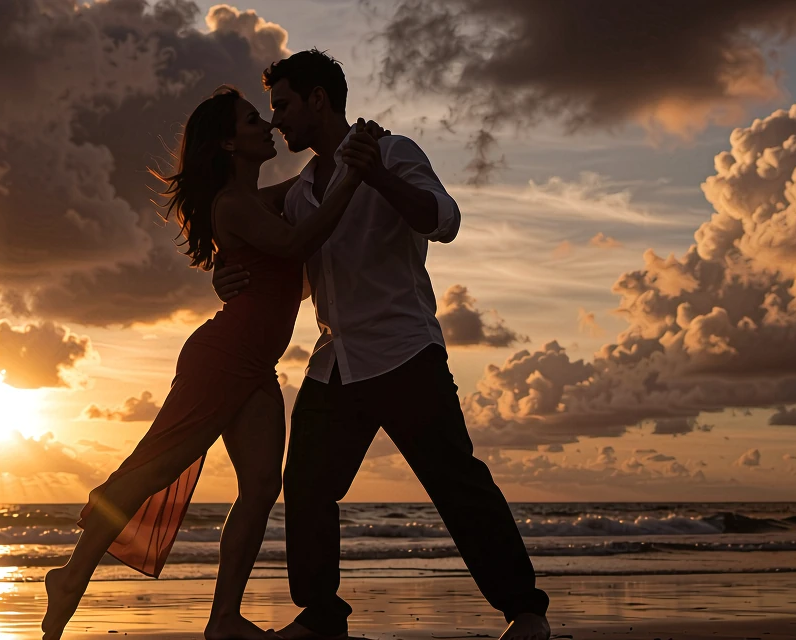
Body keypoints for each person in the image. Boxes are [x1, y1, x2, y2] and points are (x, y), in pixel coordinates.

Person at [212, 50, 553, 640]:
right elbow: (237, 220)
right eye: (270, 111)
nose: (277, 122)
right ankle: (322, 617)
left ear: (319, 99)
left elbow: (444, 219)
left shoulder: (394, 152)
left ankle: (526, 613)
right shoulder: (300, 192)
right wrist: (224, 267)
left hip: (404, 352)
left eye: (285, 106)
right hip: (335, 363)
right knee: (308, 487)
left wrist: (377, 174)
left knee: (456, 483)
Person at [40, 86, 386, 640]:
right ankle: (72, 575)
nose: (268, 125)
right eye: (254, 119)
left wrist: (351, 151)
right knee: (154, 467)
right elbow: (298, 240)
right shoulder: (234, 203)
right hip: (222, 358)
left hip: (253, 366)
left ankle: (224, 618)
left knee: (259, 488)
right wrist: (352, 177)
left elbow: (301, 188)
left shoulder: (254, 197)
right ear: (229, 141)